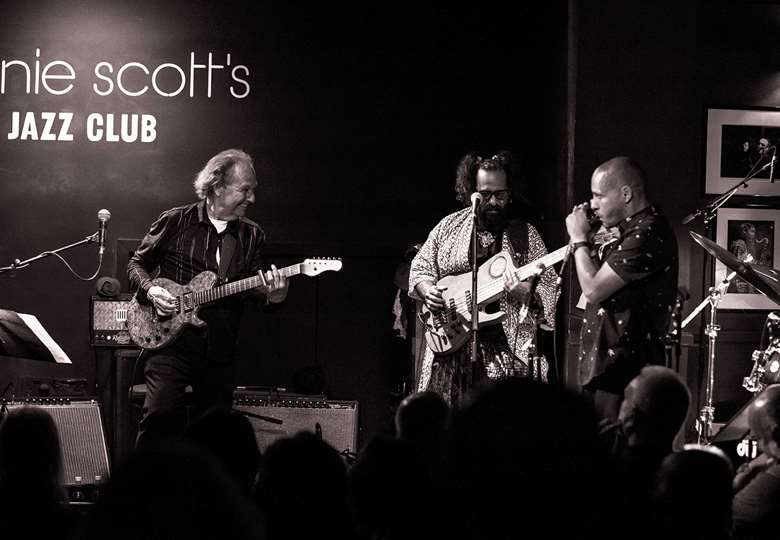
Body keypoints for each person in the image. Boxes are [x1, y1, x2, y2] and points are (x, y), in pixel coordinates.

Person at [128, 148, 289, 446]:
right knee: (158, 421)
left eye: (253, 191)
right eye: (245, 190)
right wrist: (151, 290)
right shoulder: (176, 221)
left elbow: (253, 290)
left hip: (219, 349)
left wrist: (274, 296)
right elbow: (136, 264)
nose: (251, 199)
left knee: (216, 436)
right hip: (169, 344)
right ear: (217, 186)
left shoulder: (253, 235)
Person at [408, 151, 558, 406]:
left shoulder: (525, 235)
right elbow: (420, 267)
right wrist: (428, 289)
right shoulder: (448, 227)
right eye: (485, 194)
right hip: (450, 344)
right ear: (471, 192)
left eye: (500, 195)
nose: (493, 202)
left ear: (510, 193)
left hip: (506, 346)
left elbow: (549, 286)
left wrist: (524, 292)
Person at [566, 156, 678, 422]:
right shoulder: (628, 231)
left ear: (626, 194)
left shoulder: (647, 232)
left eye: (599, 196)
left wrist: (579, 239)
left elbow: (593, 289)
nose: (592, 205)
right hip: (607, 368)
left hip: (625, 374)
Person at [732, 384, 780, 539]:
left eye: (759, 437)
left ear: (775, 434)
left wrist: (737, 485)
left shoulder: (773, 479)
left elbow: (727, 521)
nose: (753, 438)